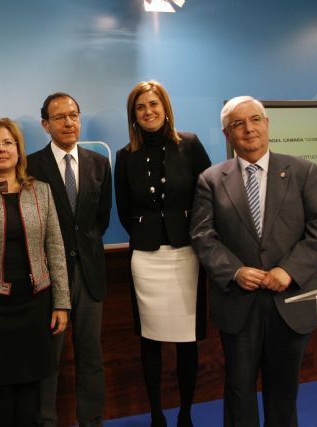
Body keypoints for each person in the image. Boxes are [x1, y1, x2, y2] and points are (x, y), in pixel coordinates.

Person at [190, 96, 317, 427]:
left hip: (291, 299)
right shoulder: (211, 180)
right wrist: (234, 271)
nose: (249, 129)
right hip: (239, 303)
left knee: (284, 392)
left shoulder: (303, 171)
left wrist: (290, 270)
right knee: (238, 390)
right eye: (238, 124)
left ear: (267, 124)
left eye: (255, 119)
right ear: (227, 134)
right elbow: (202, 236)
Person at [0, 117, 70, 426]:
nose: (1, 150)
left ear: (19, 151)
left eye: (8, 143)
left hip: (35, 302)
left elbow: (55, 249)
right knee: (1, 388)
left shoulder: (41, 192)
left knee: (32, 383)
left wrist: (61, 302)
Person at [115, 81, 211, 427]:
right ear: (134, 116)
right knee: (150, 338)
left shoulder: (191, 145)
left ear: (165, 107)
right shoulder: (125, 156)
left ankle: (185, 413)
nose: (148, 111)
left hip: (187, 253)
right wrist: (148, 233)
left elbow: (207, 196)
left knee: (187, 339)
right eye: (140, 107)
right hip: (146, 257)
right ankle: (157, 414)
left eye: (154, 104)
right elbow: (125, 210)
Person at [27, 92, 112, 427]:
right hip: (48, 277)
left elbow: (100, 220)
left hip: (90, 276)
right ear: (46, 125)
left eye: (73, 115)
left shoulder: (98, 163)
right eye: (59, 117)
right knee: (48, 360)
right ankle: (45, 422)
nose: (68, 122)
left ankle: (91, 420)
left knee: (92, 357)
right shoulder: (31, 166)